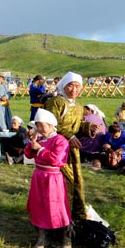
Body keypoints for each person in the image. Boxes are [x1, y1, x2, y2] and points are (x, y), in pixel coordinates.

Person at [23, 108, 72, 248]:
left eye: (41, 125)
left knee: (57, 208)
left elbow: (57, 160)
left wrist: (40, 149)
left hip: (53, 178)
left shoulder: (60, 140)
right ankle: (43, 237)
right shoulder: (40, 139)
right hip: (39, 176)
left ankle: (66, 242)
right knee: (38, 205)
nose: (39, 129)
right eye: (36, 125)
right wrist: (32, 142)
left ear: (51, 125)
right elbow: (28, 154)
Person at [43, 72, 88, 221]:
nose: (74, 90)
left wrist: (88, 128)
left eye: (77, 86)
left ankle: (75, 214)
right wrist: (70, 136)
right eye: (70, 85)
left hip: (72, 151)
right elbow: (51, 123)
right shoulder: (56, 102)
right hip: (56, 148)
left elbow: (77, 125)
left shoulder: (79, 106)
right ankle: (58, 215)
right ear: (64, 85)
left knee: (76, 181)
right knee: (63, 181)